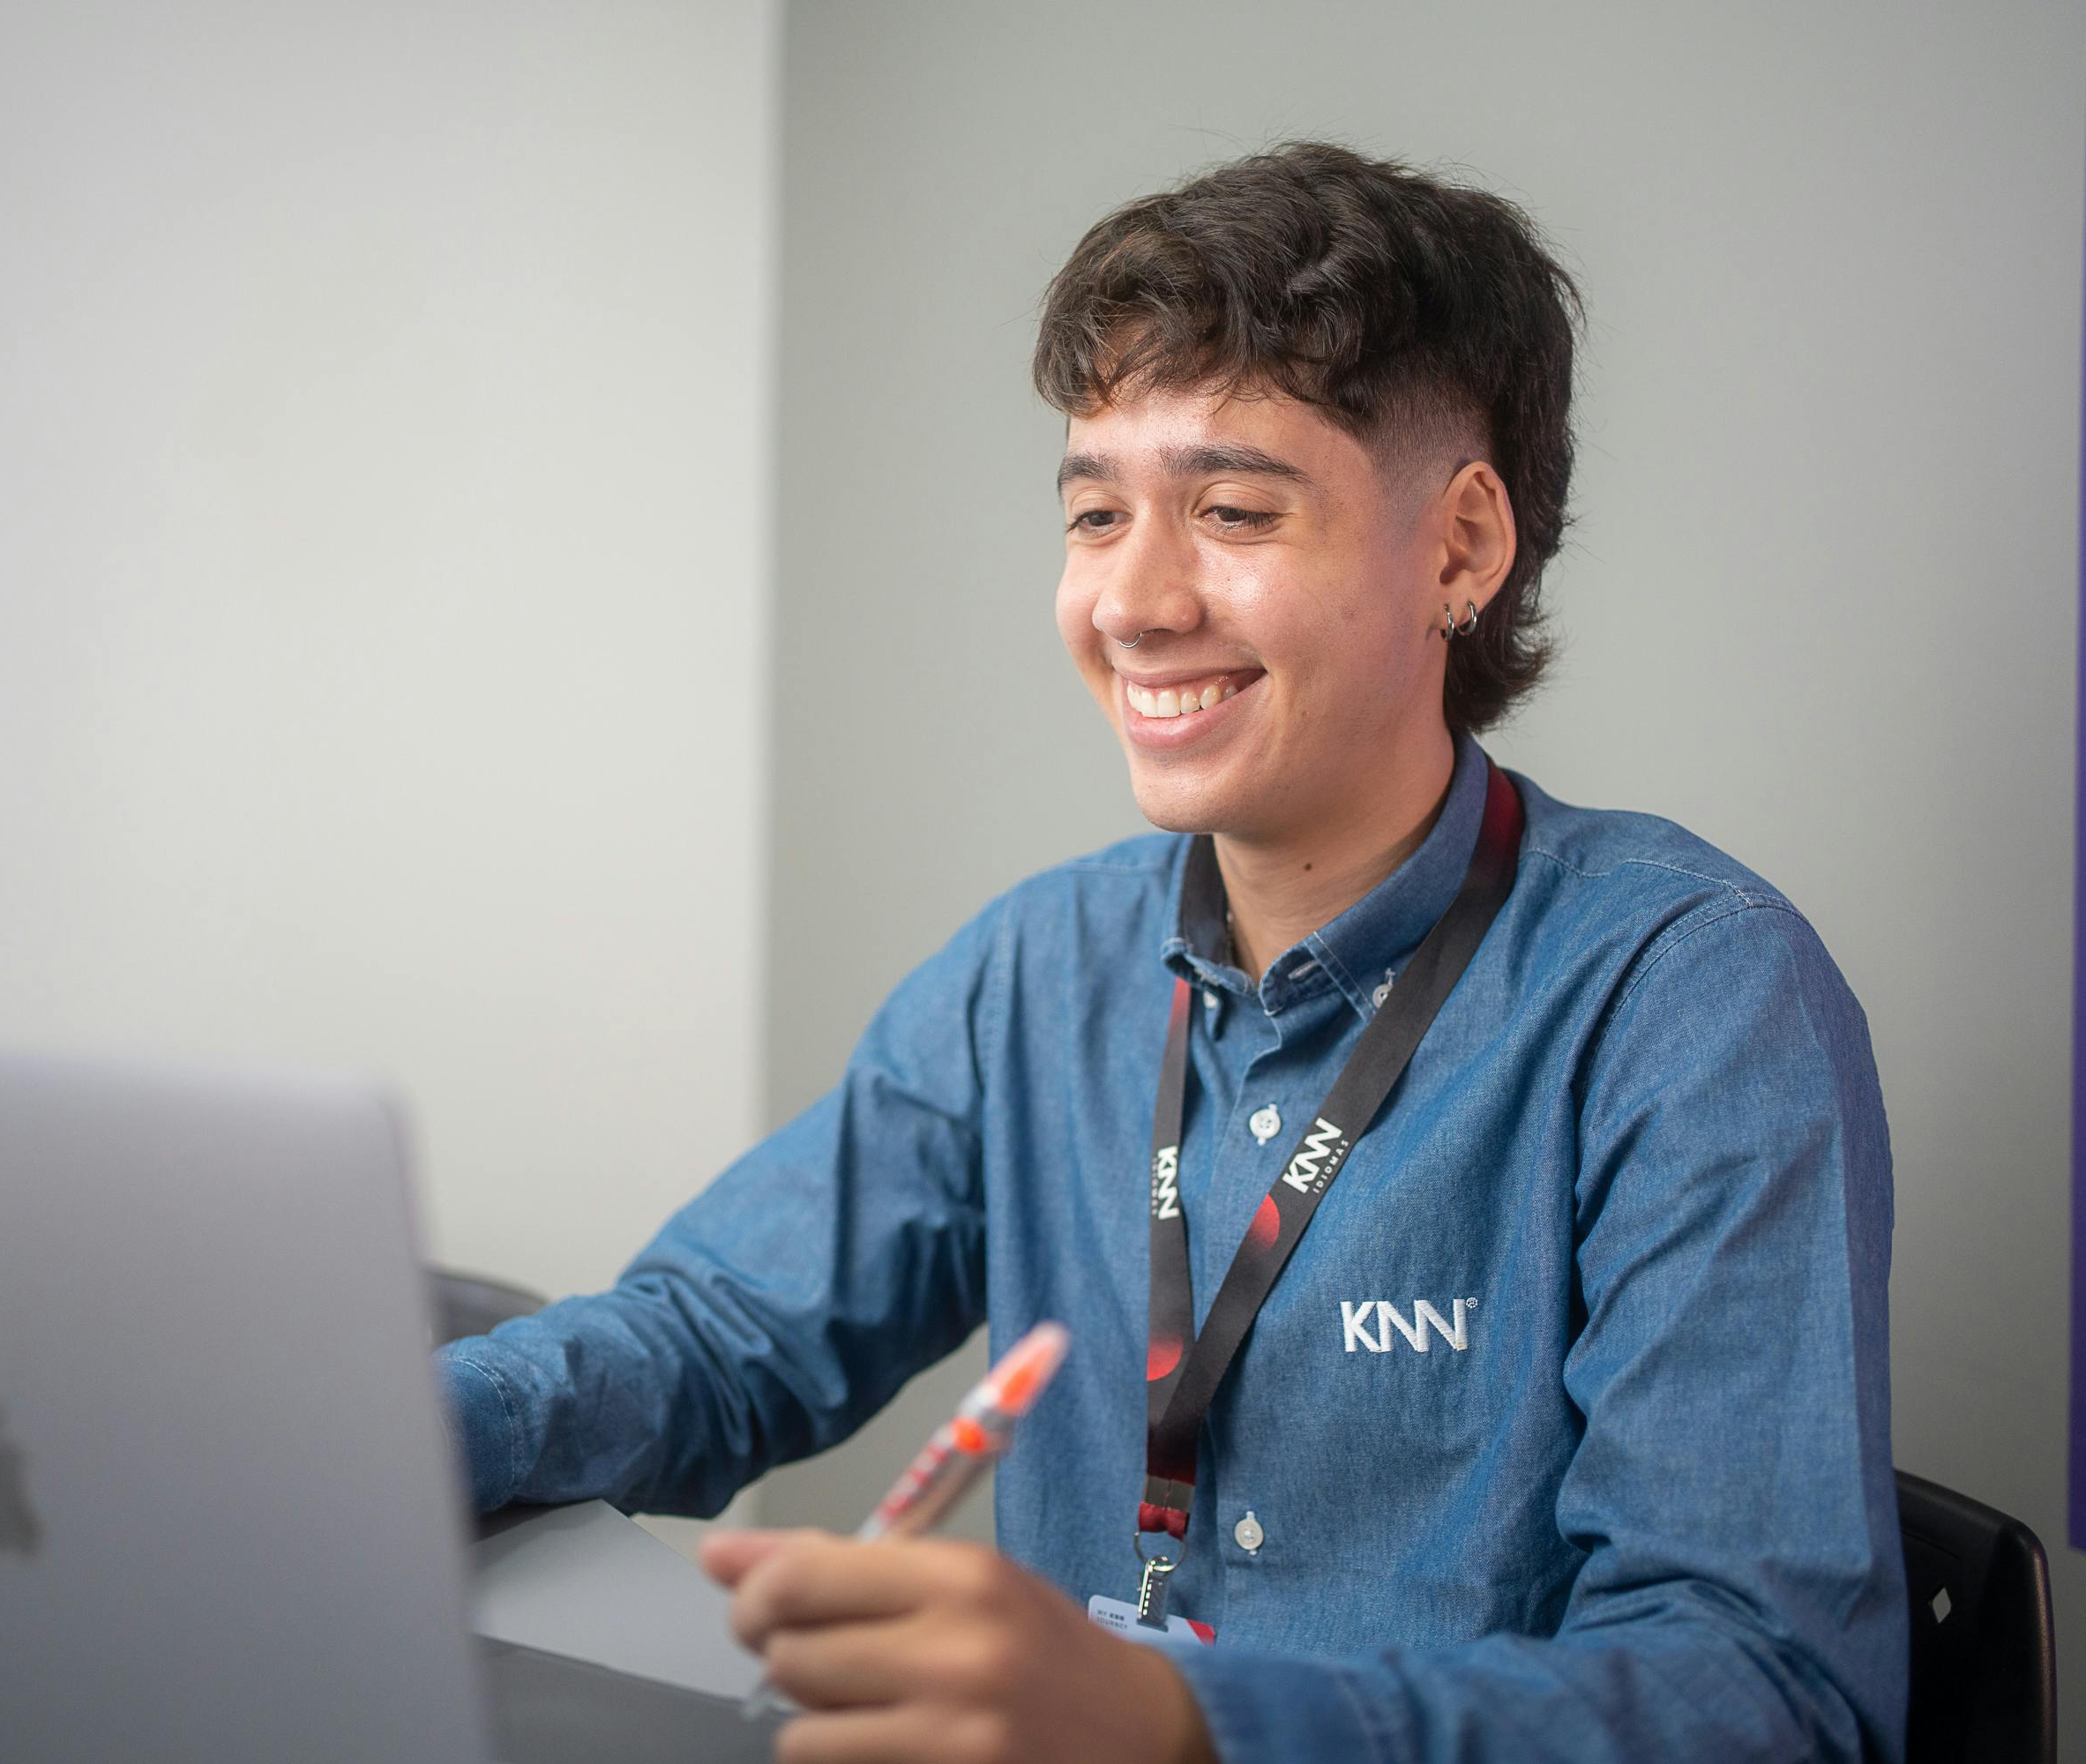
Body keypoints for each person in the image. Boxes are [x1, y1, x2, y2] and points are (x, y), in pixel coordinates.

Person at [438, 142, 1906, 1763]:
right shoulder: (1043, 968)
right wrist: (400, 1427)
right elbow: (717, 1343)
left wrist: (1178, 1717)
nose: (1131, 601)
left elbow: (1765, 1696)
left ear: (1462, 550)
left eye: (1229, 509)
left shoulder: (1690, 999)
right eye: (1093, 512)